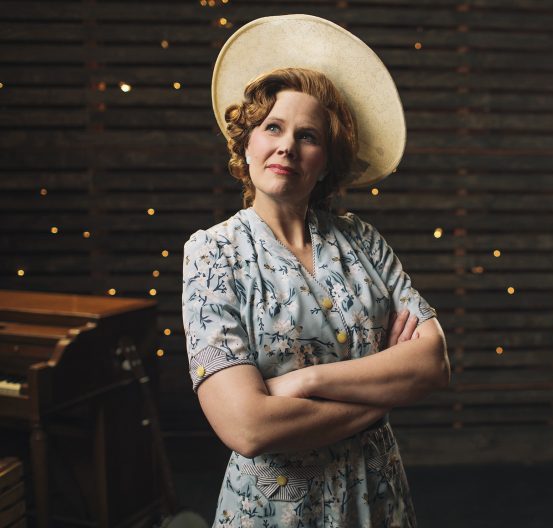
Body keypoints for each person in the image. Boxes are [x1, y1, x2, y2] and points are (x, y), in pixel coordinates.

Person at [182, 15, 449, 528]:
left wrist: (304, 382)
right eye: (272, 127)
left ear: (325, 162)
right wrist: (380, 394)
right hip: (275, 510)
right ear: (247, 142)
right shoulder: (213, 254)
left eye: (308, 136)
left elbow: (433, 363)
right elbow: (247, 427)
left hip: (376, 498)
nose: (287, 146)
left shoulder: (363, 241)